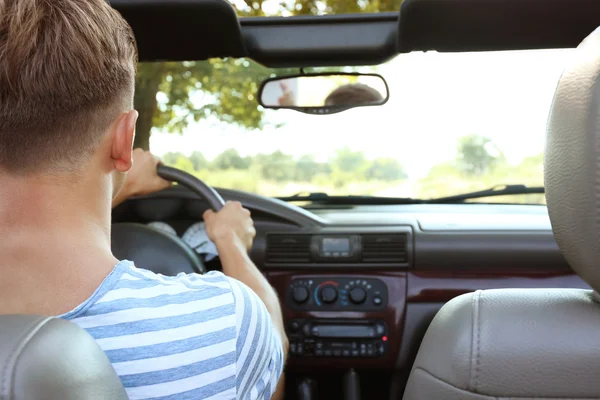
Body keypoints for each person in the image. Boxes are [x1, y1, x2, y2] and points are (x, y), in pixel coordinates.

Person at [0, 1, 287, 400]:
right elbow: (273, 356)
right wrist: (231, 244)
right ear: (125, 138)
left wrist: (120, 183)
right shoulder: (226, 325)